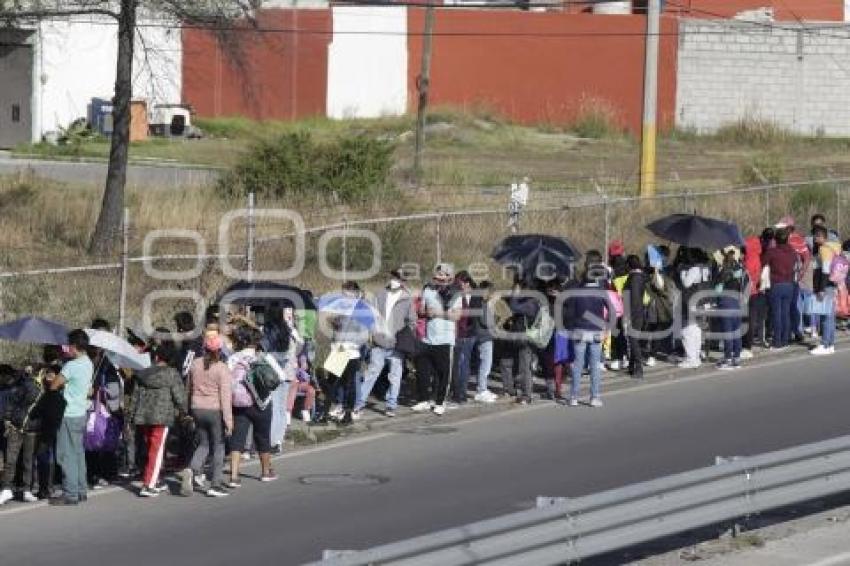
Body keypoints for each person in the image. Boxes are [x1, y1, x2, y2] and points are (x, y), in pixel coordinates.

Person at [355, 269, 415, 418]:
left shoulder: (407, 298)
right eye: (394, 276)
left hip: (396, 343)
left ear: (403, 281)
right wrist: (373, 333)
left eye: (399, 278)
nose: (396, 279)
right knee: (372, 373)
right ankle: (359, 402)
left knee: (395, 375)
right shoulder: (380, 295)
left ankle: (391, 405)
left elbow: (412, 321)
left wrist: (404, 335)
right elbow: (372, 315)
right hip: (379, 341)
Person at [131, 341, 187, 497]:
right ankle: (148, 484)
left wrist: (131, 417)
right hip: (162, 416)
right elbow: (180, 397)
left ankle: (154, 480)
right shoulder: (172, 374)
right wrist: (184, 412)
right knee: (156, 451)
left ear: (156, 356)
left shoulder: (143, 373)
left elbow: (135, 397)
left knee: (150, 449)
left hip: (143, 416)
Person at [228, 325, 278, 486]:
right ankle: (265, 472)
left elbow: (227, 380)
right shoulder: (265, 358)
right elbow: (280, 378)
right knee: (263, 437)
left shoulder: (234, 358)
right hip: (262, 404)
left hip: (240, 405)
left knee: (237, 440)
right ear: (256, 342)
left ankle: (234, 476)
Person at [49, 329, 94, 506]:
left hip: (68, 414)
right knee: (78, 453)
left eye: (69, 345)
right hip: (80, 413)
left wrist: (52, 378)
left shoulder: (71, 366)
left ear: (74, 347)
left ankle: (70, 493)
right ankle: (81, 489)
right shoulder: (88, 363)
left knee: (66, 455)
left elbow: (54, 385)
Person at [185, 334, 232, 498]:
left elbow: (189, 388)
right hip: (214, 410)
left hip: (197, 408)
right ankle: (216, 484)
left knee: (203, 444)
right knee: (218, 446)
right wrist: (229, 421)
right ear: (219, 350)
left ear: (204, 348)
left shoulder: (195, 365)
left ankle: (191, 469)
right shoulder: (222, 368)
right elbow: (226, 397)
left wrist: (188, 410)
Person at [412, 264, 461, 415]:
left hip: (445, 339)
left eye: (442, 277)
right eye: (436, 277)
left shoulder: (456, 294)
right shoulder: (427, 290)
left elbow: (456, 316)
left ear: (449, 278)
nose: (438, 280)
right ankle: (423, 400)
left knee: (443, 372)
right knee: (422, 370)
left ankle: (440, 402)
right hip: (427, 338)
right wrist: (424, 311)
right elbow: (422, 310)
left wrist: (438, 313)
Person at [564, 267, 611, 407]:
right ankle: (594, 397)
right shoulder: (601, 292)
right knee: (595, 365)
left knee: (578, 365)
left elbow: (571, 313)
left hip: (579, 330)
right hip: (596, 330)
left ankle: (574, 396)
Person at [323, 282, 369, 425]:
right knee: (332, 383)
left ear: (355, 293)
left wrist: (350, 344)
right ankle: (326, 413)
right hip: (338, 349)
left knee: (349, 384)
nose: (344, 296)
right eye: (343, 293)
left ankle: (348, 414)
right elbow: (335, 327)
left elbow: (364, 334)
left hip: (350, 351)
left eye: (347, 293)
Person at [87, 318, 123, 489]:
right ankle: (93, 474)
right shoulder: (87, 357)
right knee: (91, 439)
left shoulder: (111, 358)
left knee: (107, 439)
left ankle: (107, 472)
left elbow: (115, 385)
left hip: (108, 406)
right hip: (90, 406)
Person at [0, 365, 40, 504]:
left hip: (33, 428)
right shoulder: (23, 385)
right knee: (11, 459)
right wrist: (7, 419)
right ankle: (6, 489)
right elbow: (12, 403)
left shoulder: (44, 386)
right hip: (16, 426)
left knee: (28, 461)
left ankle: (26, 490)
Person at [499, 277, 542, 405]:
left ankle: (526, 395)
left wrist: (515, 294)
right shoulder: (527, 300)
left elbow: (514, 306)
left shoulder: (532, 303)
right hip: (515, 336)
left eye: (523, 287)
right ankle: (509, 389)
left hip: (525, 340)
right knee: (505, 361)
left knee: (524, 368)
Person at [761, 228, 798, 350]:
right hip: (789, 284)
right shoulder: (792, 251)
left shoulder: (772, 252)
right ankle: (785, 339)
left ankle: (777, 342)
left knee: (777, 314)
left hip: (776, 284)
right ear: (787, 239)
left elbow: (763, 262)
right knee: (786, 313)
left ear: (775, 240)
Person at [675, 247, 712, 368]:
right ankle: (695, 356)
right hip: (703, 301)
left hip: (693, 301)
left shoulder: (694, 269)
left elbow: (686, 283)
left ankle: (691, 359)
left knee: (687, 330)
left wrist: (682, 272)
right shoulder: (705, 267)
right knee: (696, 329)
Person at [810, 225, 842, 355]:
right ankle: (830, 344)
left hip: (826, 286)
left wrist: (821, 289)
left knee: (826, 316)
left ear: (821, 237)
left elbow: (825, 270)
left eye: (815, 236)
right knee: (830, 316)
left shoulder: (824, 249)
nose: (814, 239)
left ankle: (825, 344)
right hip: (833, 284)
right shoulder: (835, 247)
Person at [713, 246, 746, 369]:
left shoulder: (722, 273)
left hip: (725, 304)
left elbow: (718, 291)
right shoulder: (739, 270)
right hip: (736, 303)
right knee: (736, 332)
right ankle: (737, 357)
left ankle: (727, 358)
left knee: (727, 333)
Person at [450, 271, 477, 406]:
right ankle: (458, 392)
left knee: (462, 364)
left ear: (466, 282)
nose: (457, 284)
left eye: (459, 282)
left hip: (466, 333)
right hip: (459, 333)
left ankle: (461, 393)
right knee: (459, 364)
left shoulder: (473, 295)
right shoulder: (458, 294)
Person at [472, 281, 498, 403]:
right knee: (485, 364)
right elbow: (486, 321)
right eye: (490, 291)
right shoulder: (482, 303)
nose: (491, 294)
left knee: (485, 364)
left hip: (483, 336)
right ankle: (481, 390)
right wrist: (492, 305)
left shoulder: (480, 302)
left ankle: (483, 388)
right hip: (484, 337)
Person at [623, 255, 647, 379]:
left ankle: (639, 368)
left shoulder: (635, 278)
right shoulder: (639, 276)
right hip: (638, 312)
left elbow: (634, 298)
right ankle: (632, 366)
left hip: (634, 313)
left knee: (633, 340)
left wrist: (629, 315)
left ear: (629, 265)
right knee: (633, 339)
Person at [286, 355, 316, 422]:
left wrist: (304, 369)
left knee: (311, 390)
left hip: (303, 382)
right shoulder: (291, 357)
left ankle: (306, 411)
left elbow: (306, 374)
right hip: (292, 381)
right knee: (293, 387)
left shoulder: (303, 357)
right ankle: (288, 412)